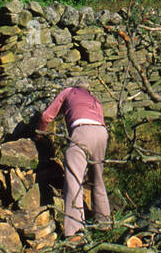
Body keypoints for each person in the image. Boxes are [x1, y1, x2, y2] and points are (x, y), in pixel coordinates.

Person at [38, 79, 111, 238]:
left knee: (74, 181)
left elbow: (46, 116)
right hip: (102, 133)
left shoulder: (68, 91)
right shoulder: (95, 100)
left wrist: (39, 134)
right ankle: (104, 221)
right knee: (97, 178)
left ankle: (75, 232)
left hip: (81, 131)